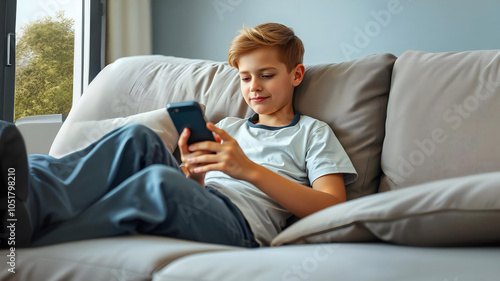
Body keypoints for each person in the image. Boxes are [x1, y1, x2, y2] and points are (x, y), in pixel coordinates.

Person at [1, 23, 356, 249]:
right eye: (246, 78)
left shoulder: (313, 133)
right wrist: (195, 175)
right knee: (139, 139)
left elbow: (334, 207)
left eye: (266, 75)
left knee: (158, 182)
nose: (254, 87)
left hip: (241, 226)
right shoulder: (230, 127)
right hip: (206, 202)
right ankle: (22, 195)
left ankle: (26, 234)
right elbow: (197, 194)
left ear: (296, 75)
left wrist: (249, 170)